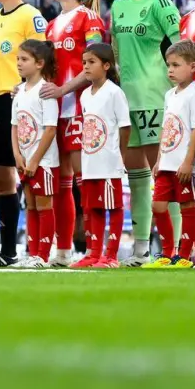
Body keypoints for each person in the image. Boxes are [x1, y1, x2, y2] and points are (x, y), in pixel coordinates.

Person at [96, 0, 180, 266]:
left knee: (165, 175)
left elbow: (181, 49)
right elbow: (115, 51)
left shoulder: (161, 4)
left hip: (155, 97)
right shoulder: (118, 6)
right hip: (125, 99)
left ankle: (177, 249)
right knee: (136, 175)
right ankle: (141, 248)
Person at [42, 0, 106, 265]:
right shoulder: (51, 25)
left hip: (82, 109)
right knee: (60, 183)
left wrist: (64, 90)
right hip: (57, 112)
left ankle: (95, 251)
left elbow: (96, 64)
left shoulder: (88, 18)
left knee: (86, 180)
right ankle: (64, 251)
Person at [0, 0, 48, 266]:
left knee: (26, 174)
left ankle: (37, 249)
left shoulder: (30, 16)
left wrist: (24, 86)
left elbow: (44, 58)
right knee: (1, 174)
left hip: (21, 101)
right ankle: (8, 251)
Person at [150, 40, 195, 268]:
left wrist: (188, 162)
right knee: (158, 206)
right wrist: (158, 159)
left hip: (185, 166)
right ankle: (167, 253)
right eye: (168, 65)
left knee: (187, 207)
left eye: (176, 65)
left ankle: (184, 256)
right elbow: (166, 128)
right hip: (166, 163)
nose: (170, 70)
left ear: (192, 67)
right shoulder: (169, 95)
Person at [72, 43, 131, 268]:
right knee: (92, 208)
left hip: (109, 162)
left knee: (113, 208)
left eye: (92, 62)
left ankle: (111, 256)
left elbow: (125, 127)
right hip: (90, 162)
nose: (86, 66)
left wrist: (121, 156)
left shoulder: (114, 92)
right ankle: (94, 253)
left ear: (106, 66)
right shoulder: (85, 94)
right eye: (84, 62)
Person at [11, 39, 60, 269]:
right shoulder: (19, 90)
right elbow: (14, 126)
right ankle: (32, 253)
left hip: (44, 162)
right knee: (29, 206)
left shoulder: (46, 91)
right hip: (25, 160)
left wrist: (34, 160)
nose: (19, 63)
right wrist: (18, 156)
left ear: (39, 63)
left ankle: (42, 255)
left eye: (24, 59)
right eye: (18, 59)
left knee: (43, 206)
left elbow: (50, 129)